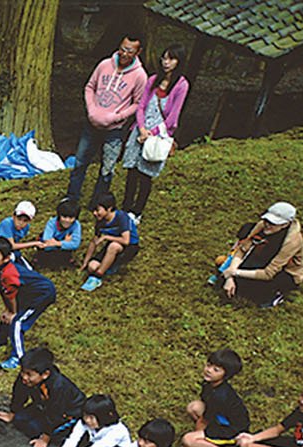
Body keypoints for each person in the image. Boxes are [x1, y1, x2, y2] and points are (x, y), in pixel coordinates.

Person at [63, 33, 148, 205]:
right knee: (80, 162)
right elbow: (90, 87)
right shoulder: (104, 64)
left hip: (114, 130)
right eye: (123, 49)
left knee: (107, 168)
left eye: (129, 51)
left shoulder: (140, 76)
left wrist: (117, 117)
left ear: (138, 52)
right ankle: (71, 198)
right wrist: (91, 108)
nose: (124, 54)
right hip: (92, 123)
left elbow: (138, 103)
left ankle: (98, 203)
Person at [121, 45, 189, 219]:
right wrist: (142, 128)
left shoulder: (181, 85)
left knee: (146, 174)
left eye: (171, 59)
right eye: (164, 58)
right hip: (140, 130)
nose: (166, 63)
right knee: (132, 171)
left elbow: (173, 117)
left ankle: (137, 212)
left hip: (158, 135)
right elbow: (141, 106)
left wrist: (152, 132)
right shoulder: (152, 80)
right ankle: (125, 207)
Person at [0, 237, 56, 370]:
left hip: (41, 295)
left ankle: (18, 357)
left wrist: (13, 312)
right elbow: (6, 293)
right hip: (26, 292)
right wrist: (8, 310)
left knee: (17, 322)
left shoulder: (8, 273)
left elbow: (11, 295)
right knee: (8, 315)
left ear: (6, 258)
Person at [0, 347, 85, 447]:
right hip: (44, 406)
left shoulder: (58, 387)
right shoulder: (26, 378)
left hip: (67, 414)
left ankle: (66, 434)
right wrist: (13, 413)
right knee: (18, 419)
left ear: (45, 374)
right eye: (22, 372)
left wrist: (45, 437)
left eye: (29, 374)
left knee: (33, 428)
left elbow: (56, 412)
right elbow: (19, 394)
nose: (24, 377)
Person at [217, 202, 303, 307]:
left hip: (282, 272)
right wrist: (230, 275)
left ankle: (276, 294)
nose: (267, 225)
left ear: (285, 224)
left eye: (273, 223)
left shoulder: (292, 241)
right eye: (266, 221)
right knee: (223, 281)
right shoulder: (261, 225)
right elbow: (242, 249)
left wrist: (234, 273)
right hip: (262, 259)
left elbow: (269, 273)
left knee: (253, 293)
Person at [180, 348, 250, 447]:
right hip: (220, 418)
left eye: (216, 370)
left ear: (225, 375)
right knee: (194, 407)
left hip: (231, 431)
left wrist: (198, 435)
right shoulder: (210, 384)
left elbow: (204, 420)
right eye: (208, 365)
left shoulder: (220, 396)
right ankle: (208, 440)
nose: (209, 370)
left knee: (188, 440)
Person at [80, 192, 138, 291]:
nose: (95, 213)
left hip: (129, 247)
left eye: (98, 210)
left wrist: (107, 237)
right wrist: (85, 262)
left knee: (114, 246)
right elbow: (94, 241)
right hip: (111, 244)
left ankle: (98, 276)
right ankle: (110, 266)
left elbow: (126, 240)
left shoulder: (121, 217)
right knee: (92, 267)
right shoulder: (100, 221)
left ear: (109, 208)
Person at [21, 199, 82, 270]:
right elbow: (46, 242)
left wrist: (57, 243)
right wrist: (65, 243)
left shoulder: (76, 225)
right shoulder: (51, 223)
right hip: (49, 250)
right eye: (64, 217)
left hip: (57, 249)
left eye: (71, 218)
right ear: (59, 215)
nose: (67, 220)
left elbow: (75, 244)